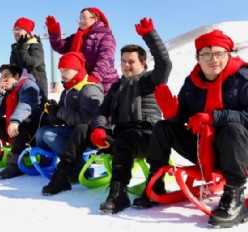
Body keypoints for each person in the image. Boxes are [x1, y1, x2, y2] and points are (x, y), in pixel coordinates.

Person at [132, 29, 248, 228]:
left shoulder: (242, 79)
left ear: (228, 54)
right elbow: (183, 116)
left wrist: (213, 117)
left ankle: (235, 195)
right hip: (203, 148)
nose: (214, 59)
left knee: (232, 128)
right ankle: (155, 182)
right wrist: (172, 113)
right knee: (163, 127)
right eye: (206, 54)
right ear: (198, 58)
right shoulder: (192, 83)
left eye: (219, 53)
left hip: (238, 150)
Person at [36, 52, 104, 195]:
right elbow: (61, 119)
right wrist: (53, 112)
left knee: (48, 134)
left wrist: (60, 111)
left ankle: (78, 167)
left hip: (88, 134)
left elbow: (86, 120)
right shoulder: (68, 89)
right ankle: (48, 163)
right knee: (42, 132)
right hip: (73, 131)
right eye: (60, 70)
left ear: (78, 69)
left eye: (66, 70)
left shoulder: (89, 88)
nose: (62, 73)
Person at [0, 64, 47, 180]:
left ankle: (16, 163)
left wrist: (15, 121)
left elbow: (25, 105)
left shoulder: (29, 85)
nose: (3, 80)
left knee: (22, 122)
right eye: (1, 77)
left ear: (16, 75)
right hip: (14, 132)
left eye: (6, 76)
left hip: (33, 134)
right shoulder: (9, 91)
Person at [45, 7, 119, 95]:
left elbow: (105, 58)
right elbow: (60, 47)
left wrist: (96, 76)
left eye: (84, 18)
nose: (81, 21)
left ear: (95, 19)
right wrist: (54, 34)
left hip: (104, 84)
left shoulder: (105, 36)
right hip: (81, 82)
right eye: (80, 18)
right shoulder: (76, 37)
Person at [10, 17, 48, 95]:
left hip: (36, 90)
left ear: (27, 32)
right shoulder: (15, 49)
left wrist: (21, 47)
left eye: (20, 29)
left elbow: (29, 64)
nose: (16, 32)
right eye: (15, 29)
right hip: (19, 89)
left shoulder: (36, 46)